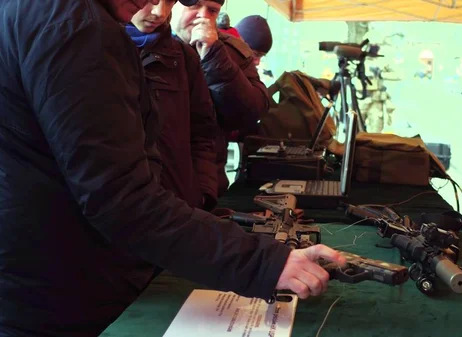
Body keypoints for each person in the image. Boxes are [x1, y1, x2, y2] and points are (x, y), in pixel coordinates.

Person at [0, 0, 344, 335]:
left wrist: (201, 197)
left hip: (50, 267)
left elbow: (209, 130)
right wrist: (265, 263)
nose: (157, 7)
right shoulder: (77, 26)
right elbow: (120, 198)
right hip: (61, 284)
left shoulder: (48, 15)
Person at [127, 0, 219, 210]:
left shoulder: (185, 58)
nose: (160, 12)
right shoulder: (94, 51)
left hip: (178, 207)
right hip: (111, 217)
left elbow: (202, 133)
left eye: (169, 1)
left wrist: (202, 193)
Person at [171, 0, 269, 196]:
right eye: (194, 6)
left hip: (210, 182)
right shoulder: (145, 44)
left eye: (212, 10)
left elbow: (251, 112)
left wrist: (213, 56)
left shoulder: (231, 50)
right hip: (158, 184)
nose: (203, 16)